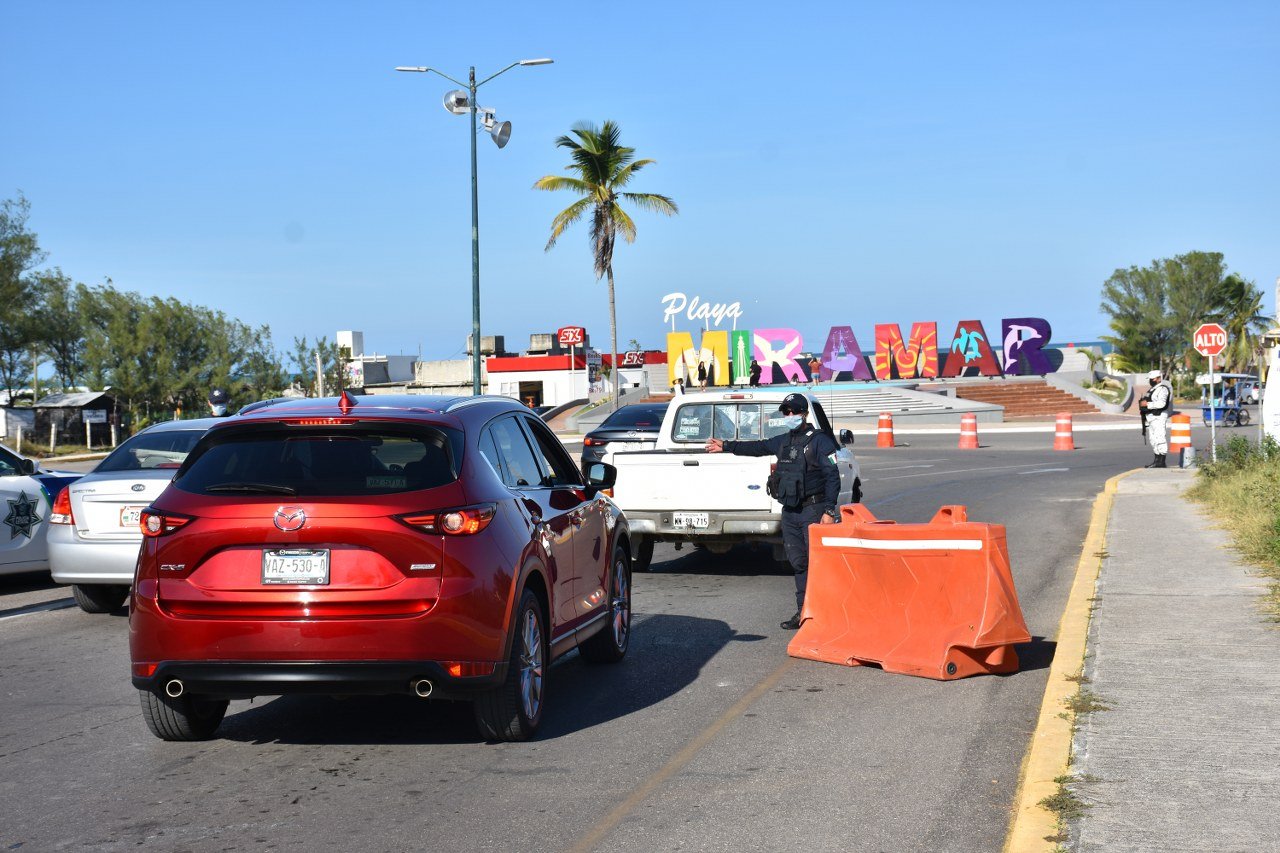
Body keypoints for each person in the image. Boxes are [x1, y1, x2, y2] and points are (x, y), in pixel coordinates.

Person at [706, 392, 841, 629]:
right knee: (798, 563)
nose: (790, 415)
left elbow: (833, 477)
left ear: (804, 413)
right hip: (790, 511)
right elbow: (757, 447)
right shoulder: (783, 441)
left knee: (819, 564)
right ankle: (804, 613)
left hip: (814, 509)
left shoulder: (820, 441)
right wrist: (726, 446)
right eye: (786, 412)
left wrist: (829, 511)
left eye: (794, 411)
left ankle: (828, 613)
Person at [1138, 369, 1172, 467]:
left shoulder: (1163, 389)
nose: (1150, 381)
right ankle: (1156, 460)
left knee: (1160, 438)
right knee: (1153, 439)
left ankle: (1161, 461)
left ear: (1158, 378)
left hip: (1159, 416)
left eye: (1152, 379)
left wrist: (1147, 404)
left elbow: (1162, 403)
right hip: (1151, 417)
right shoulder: (1153, 389)